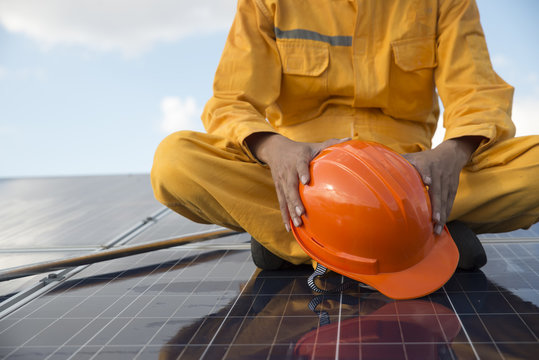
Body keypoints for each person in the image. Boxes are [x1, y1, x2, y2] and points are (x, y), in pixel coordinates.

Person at [151, 0, 539, 271]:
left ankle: (300, 244)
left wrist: (451, 155)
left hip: (409, 182)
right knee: (175, 162)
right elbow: (231, 101)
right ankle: (413, 244)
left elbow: (478, 93)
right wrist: (275, 148)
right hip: (306, 181)